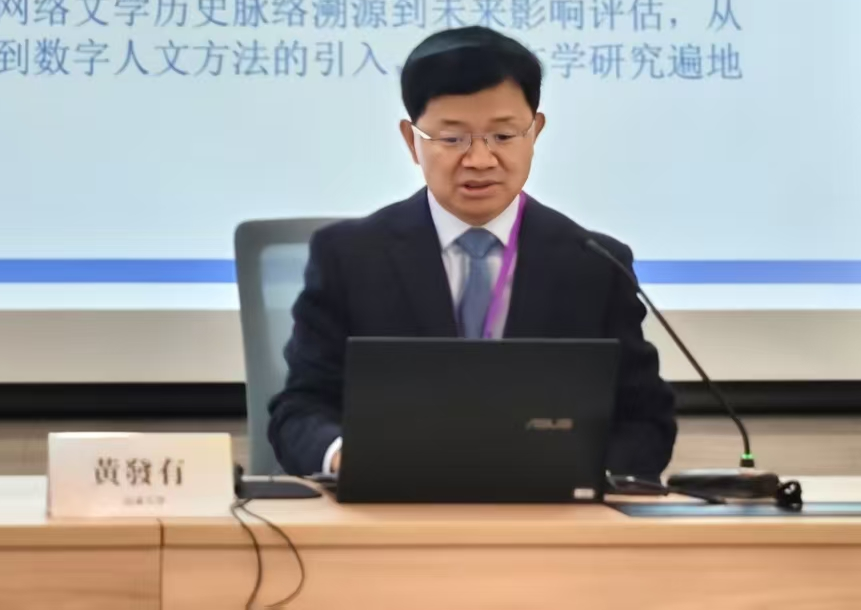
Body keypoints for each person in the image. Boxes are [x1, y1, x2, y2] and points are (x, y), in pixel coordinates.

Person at [268, 25, 677, 479]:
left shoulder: (594, 263)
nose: (480, 160)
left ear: (535, 132)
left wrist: (578, 473)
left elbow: (645, 423)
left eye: (503, 136)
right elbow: (300, 410)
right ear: (411, 140)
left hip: (550, 511)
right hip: (393, 504)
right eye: (452, 139)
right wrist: (348, 458)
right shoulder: (349, 257)